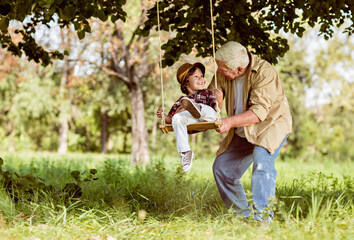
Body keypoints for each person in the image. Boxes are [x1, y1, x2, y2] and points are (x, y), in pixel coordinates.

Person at [207, 41, 292, 222]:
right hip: (242, 128)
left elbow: (259, 112)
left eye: (222, 69)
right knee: (222, 168)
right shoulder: (222, 72)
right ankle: (242, 218)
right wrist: (216, 105)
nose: (219, 72)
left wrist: (228, 121)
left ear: (238, 69)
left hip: (270, 125)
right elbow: (207, 100)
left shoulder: (264, 72)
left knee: (262, 161)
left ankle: (262, 219)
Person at [156, 62, 222, 172]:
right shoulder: (181, 101)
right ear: (186, 83)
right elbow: (171, 120)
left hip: (207, 117)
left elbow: (216, 111)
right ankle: (185, 152)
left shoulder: (206, 93)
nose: (201, 79)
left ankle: (197, 108)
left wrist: (219, 100)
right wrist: (164, 116)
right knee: (177, 118)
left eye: (201, 76)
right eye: (196, 76)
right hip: (191, 121)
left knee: (207, 110)